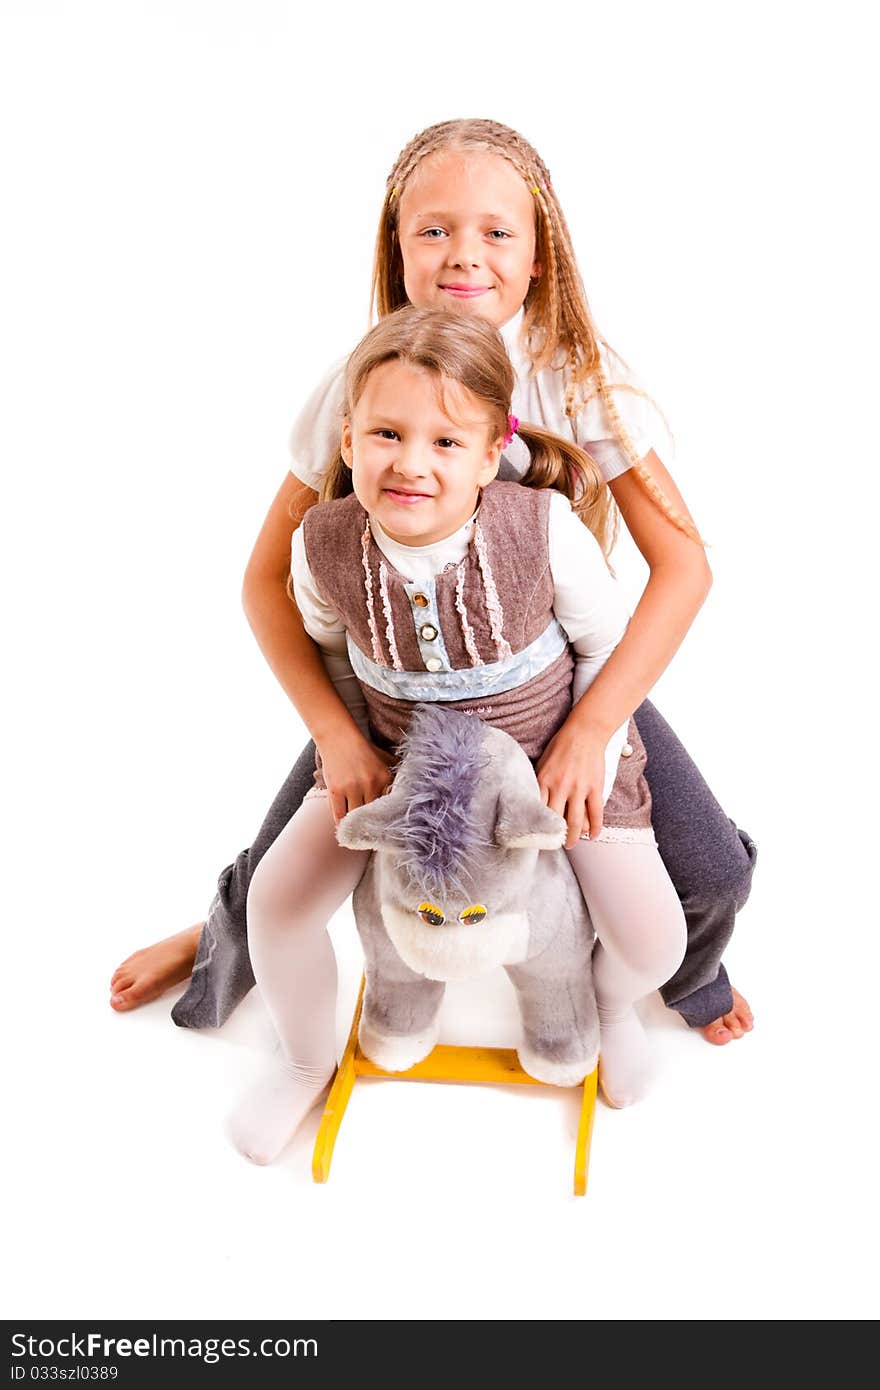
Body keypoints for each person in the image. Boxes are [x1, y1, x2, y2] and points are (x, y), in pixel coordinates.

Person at [110, 117, 755, 1046]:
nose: (466, 254)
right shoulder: (365, 384)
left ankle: (683, 979)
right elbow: (264, 581)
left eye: (498, 231)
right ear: (397, 247)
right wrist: (336, 732)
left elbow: (684, 564)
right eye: (434, 228)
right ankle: (216, 940)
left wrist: (594, 724)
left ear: (540, 257)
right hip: (402, 689)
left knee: (714, 872)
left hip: (547, 681)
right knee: (283, 867)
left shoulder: (577, 381)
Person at [230, 303, 688, 1162]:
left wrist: (588, 742)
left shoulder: (539, 529)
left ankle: (610, 1006)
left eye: (445, 443)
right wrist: (341, 739)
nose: (410, 463)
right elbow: (330, 652)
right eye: (385, 434)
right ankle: (302, 1060)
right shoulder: (322, 543)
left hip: (556, 752)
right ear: (348, 442)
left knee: (654, 938)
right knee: (277, 905)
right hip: (401, 761)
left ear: (490, 456)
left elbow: (605, 645)